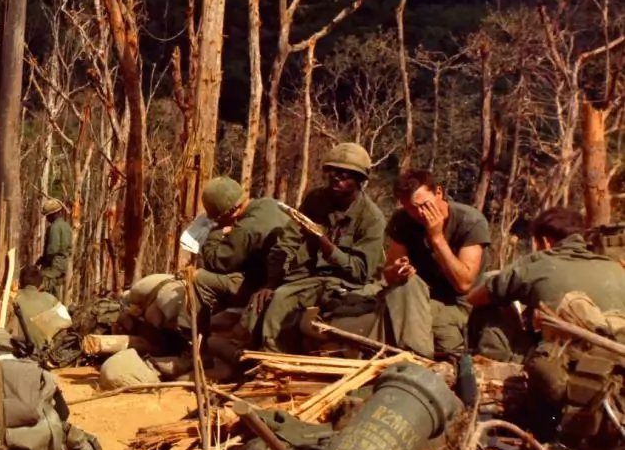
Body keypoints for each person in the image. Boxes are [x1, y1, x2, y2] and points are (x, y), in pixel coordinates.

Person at [256, 143, 386, 352]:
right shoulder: (316, 200)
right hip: (310, 276)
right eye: (332, 171)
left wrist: (328, 248)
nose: (336, 177)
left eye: (345, 174)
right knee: (274, 301)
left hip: (348, 283)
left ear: (360, 180)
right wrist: (271, 282)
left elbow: (361, 272)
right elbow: (289, 239)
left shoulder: (372, 218)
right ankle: (269, 356)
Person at [469, 207, 625, 363]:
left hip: (563, 365)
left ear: (545, 242)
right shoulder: (615, 268)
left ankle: (501, 363)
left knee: (489, 302)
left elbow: (475, 299)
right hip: (615, 360)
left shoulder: (538, 265)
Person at [371, 168, 488, 360]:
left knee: (410, 320)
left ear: (439, 193)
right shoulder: (403, 221)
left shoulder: (470, 221)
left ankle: (416, 360)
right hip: (418, 298)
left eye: (424, 205)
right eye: (411, 208)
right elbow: (388, 274)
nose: (419, 213)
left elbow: (464, 284)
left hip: (459, 305)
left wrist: (437, 238)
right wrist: (398, 270)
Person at [192, 176, 295, 338]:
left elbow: (216, 262)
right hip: (286, 281)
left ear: (228, 213)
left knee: (199, 278)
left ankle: (195, 343)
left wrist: (218, 230)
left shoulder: (245, 228)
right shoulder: (269, 204)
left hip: (271, 287)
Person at [9, 265, 67, 352]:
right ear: (40, 284)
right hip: (44, 356)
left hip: (14, 354)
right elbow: (63, 332)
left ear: (20, 282)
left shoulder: (11, 298)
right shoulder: (51, 300)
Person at [38, 198, 73, 300]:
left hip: (53, 265)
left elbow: (53, 249)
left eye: (48, 215)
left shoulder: (54, 228)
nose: (47, 218)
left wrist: (43, 260)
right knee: (57, 291)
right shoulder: (66, 226)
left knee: (44, 290)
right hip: (63, 264)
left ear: (53, 214)